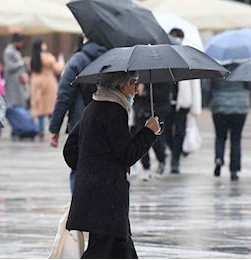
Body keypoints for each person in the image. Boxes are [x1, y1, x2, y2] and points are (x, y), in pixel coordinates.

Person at [63, 71, 161, 258]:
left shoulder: (94, 105)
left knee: (120, 248)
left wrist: (92, 167)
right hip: (107, 199)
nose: (136, 90)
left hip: (98, 195)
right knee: (103, 250)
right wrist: (149, 131)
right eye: (133, 83)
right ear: (120, 85)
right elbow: (127, 154)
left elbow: (71, 150)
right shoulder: (114, 110)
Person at [48, 35, 107, 192]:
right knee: (104, 169)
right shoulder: (114, 56)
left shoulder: (79, 59)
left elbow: (64, 95)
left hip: (81, 123)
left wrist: (55, 128)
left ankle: (78, 209)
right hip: (109, 123)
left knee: (78, 167)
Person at [205, 63, 251, 181]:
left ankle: (219, 158)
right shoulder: (243, 67)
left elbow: (206, 86)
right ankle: (234, 169)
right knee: (236, 139)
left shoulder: (215, 67)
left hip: (219, 105)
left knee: (220, 136)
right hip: (239, 106)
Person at [165, 28, 202, 174]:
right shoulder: (165, 56)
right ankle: (175, 150)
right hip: (168, 102)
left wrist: (195, 107)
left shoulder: (187, 56)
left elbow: (195, 83)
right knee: (166, 131)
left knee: (180, 132)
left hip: (183, 102)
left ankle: (175, 160)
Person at [131, 82, 172, 181]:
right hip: (140, 110)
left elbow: (165, 94)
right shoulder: (137, 77)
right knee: (141, 139)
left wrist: (147, 91)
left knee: (156, 139)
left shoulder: (162, 77)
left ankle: (161, 159)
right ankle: (146, 167)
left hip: (157, 110)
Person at [29, 39, 64, 139]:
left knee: (39, 107)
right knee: (51, 106)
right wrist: (61, 61)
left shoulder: (33, 58)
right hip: (48, 82)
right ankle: (52, 128)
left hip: (36, 82)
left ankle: (40, 128)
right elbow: (58, 69)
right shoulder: (48, 57)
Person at [3, 33, 30, 109]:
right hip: (12, 81)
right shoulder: (8, 52)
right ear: (16, 42)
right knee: (13, 102)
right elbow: (9, 66)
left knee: (21, 100)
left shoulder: (15, 51)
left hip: (19, 81)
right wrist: (22, 62)